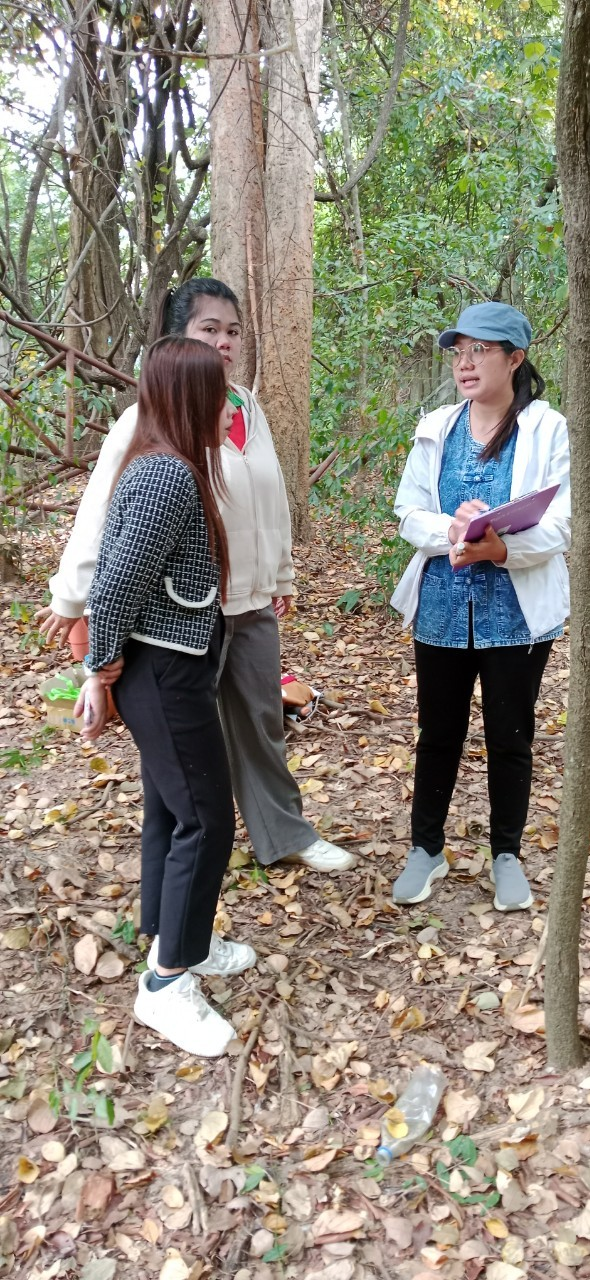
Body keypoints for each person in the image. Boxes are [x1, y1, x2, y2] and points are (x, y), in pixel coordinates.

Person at [39, 277, 355, 874]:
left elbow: (272, 498)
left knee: (262, 720)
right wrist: (70, 596)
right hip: (184, 611)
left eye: (232, 331)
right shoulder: (146, 418)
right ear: (178, 336)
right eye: (209, 329)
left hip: (252, 600)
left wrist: (280, 575)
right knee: (185, 737)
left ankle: (282, 832)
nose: (224, 342)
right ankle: (186, 856)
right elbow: (105, 515)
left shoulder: (247, 409)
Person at [77, 337, 253, 1056]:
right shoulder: (166, 478)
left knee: (170, 808)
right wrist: (99, 669)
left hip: (168, 666)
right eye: (222, 394)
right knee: (207, 819)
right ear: (193, 400)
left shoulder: (164, 468)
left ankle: (178, 935)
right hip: (163, 674)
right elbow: (114, 584)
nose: (231, 408)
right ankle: (166, 984)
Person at [390, 302, 570, 911]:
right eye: (457, 351)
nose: (464, 363)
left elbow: (559, 524)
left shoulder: (546, 429)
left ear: (515, 359)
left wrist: (500, 547)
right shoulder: (436, 427)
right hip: (442, 604)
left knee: (510, 735)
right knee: (437, 731)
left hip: (516, 613)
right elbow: (408, 509)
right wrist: (452, 530)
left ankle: (507, 855)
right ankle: (426, 848)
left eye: (480, 351)